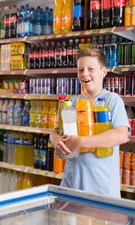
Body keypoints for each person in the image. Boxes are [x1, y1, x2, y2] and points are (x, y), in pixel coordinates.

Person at [50, 47, 130, 198]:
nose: (85, 74)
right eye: (80, 70)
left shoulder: (111, 100)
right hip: (71, 185)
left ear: (103, 72)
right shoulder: (72, 102)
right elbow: (55, 131)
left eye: (90, 69)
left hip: (100, 189)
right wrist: (56, 140)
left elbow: (121, 135)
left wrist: (81, 141)